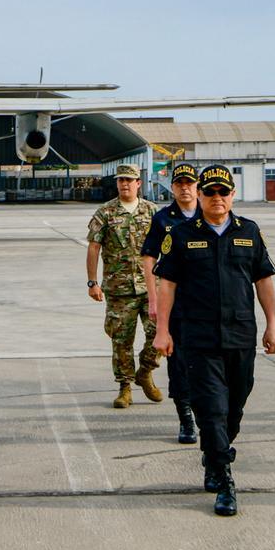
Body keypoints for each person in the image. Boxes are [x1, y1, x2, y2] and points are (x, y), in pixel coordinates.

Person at [152, 164, 275, 517]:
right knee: (211, 408)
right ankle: (224, 479)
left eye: (224, 192)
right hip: (198, 336)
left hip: (240, 334)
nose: (217, 198)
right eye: (210, 192)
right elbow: (167, 285)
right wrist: (163, 331)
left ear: (232, 195)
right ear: (202, 195)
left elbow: (264, 281)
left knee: (235, 408)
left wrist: (273, 325)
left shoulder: (249, 232)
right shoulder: (180, 234)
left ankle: (215, 450)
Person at [86, 163, 160, 408]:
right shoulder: (105, 212)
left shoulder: (152, 211)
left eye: (130, 180)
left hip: (151, 287)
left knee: (159, 332)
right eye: (121, 180)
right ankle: (125, 387)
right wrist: (92, 282)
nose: (125, 184)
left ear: (139, 183)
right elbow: (94, 247)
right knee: (121, 340)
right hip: (119, 289)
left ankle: (146, 371)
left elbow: (168, 247)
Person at [140, 163, 201, 444]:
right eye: (180, 183)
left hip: (206, 300)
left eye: (190, 183)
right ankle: (186, 419)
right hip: (174, 301)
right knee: (178, 362)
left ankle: (206, 413)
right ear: (173, 187)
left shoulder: (212, 213)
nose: (185, 187)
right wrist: (153, 298)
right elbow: (149, 258)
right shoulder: (164, 219)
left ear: (196, 185)